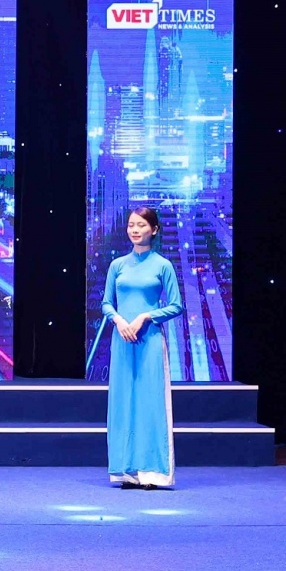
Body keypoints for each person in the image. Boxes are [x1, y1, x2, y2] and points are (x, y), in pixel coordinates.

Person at [102, 206, 185, 489]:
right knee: (123, 402)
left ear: (154, 230)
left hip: (149, 341)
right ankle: (127, 471)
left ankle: (152, 473)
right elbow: (107, 303)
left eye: (141, 225)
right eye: (131, 225)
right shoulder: (118, 265)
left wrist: (146, 316)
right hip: (122, 340)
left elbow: (176, 305)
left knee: (150, 403)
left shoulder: (163, 265)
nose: (135, 230)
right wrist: (118, 320)